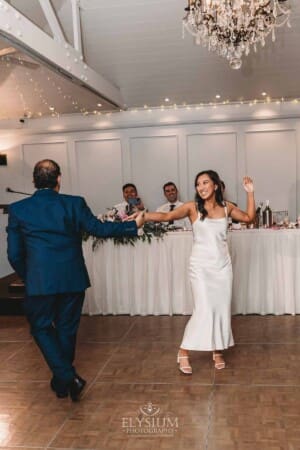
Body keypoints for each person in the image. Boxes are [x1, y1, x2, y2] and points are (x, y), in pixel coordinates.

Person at [6, 159, 144, 400]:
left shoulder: (18, 209)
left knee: (40, 328)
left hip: (39, 282)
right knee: (67, 330)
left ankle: (66, 379)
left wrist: (31, 276)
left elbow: (14, 254)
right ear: (59, 179)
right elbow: (99, 229)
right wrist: (134, 226)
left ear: (34, 181)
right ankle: (66, 380)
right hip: (72, 279)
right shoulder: (74, 203)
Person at [141, 170, 255, 374]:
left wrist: (250, 193)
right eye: (197, 184)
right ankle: (183, 351)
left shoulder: (227, 208)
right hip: (200, 266)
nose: (201, 187)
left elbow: (249, 218)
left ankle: (217, 350)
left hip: (222, 267)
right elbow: (167, 216)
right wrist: (145, 215)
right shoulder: (192, 208)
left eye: (205, 183)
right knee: (203, 309)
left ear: (216, 185)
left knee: (220, 308)